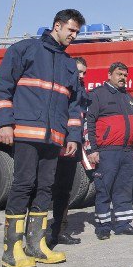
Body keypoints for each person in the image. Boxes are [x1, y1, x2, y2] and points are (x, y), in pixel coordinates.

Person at [0, 9, 85, 267]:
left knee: (45, 188)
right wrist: (4, 123)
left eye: (77, 32)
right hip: (26, 134)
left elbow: (74, 105)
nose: (74, 36)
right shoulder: (25, 50)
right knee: (23, 185)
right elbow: (0, 87)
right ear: (57, 25)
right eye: (71, 30)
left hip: (54, 139)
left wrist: (73, 136)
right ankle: (12, 249)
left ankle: (36, 245)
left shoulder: (68, 64)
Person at [86, 62, 133, 239]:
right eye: (119, 74)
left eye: (125, 75)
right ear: (109, 74)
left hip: (126, 152)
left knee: (124, 189)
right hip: (107, 152)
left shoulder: (128, 98)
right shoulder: (97, 95)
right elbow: (88, 123)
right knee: (104, 189)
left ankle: (123, 224)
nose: (123, 78)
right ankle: (103, 227)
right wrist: (92, 150)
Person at [48, 56, 89, 248]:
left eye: (84, 73)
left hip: (72, 143)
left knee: (65, 189)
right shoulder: (63, 89)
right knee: (45, 188)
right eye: (79, 71)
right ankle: (39, 231)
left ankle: (60, 231)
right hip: (57, 143)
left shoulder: (81, 91)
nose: (81, 76)